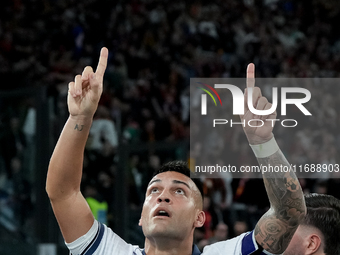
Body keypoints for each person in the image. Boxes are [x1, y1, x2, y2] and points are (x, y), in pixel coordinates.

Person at [46, 47, 306, 255]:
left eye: (179, 191)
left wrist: (264, 142)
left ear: (200, 218)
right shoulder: (109, 251)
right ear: (140, 217)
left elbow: (289, 213)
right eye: (154, 190)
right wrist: (80, 117)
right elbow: (62, 192)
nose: (163, 197)